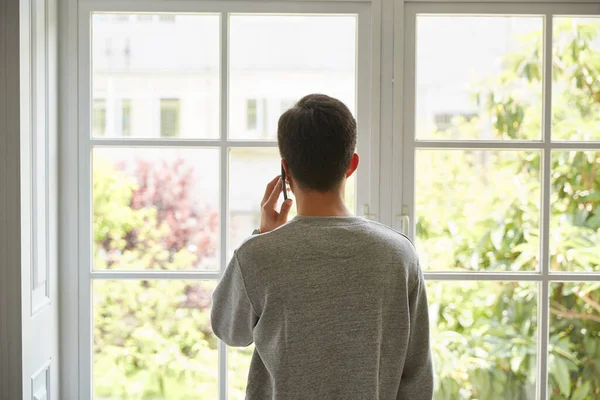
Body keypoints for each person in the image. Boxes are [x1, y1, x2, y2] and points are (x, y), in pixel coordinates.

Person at [211, 94, 433, 399]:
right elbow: (417, 379)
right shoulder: (399, 255)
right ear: (351, 164)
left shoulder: (259, 255)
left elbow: (228, 330)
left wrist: (262, 234)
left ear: (285, 171)